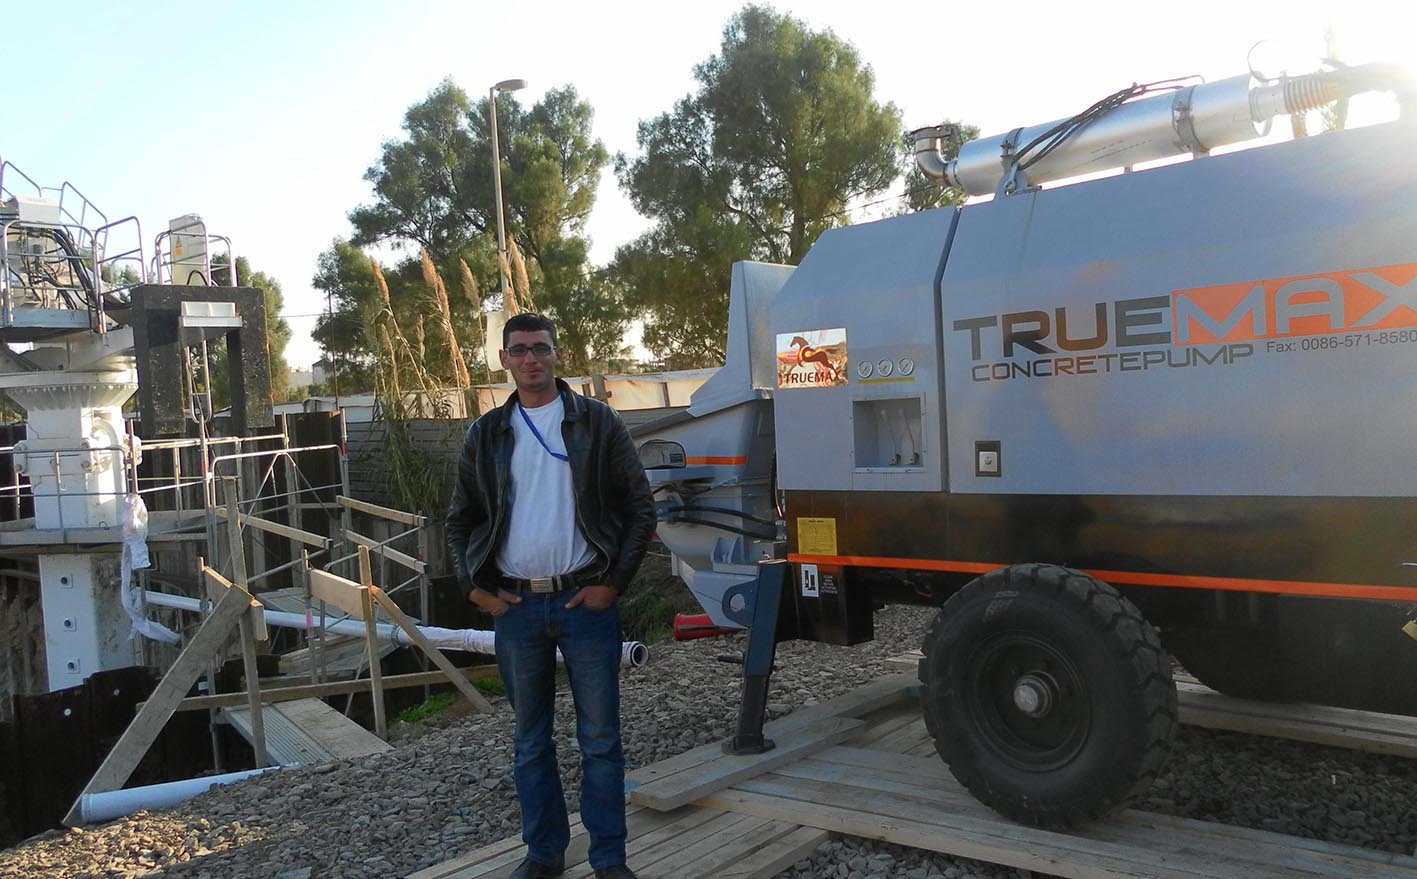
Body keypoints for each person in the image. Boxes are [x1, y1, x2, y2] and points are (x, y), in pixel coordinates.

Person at [447, 313, 655, 879]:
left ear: (557, 354)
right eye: (519, 350)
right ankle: (544, 855)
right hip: (515, 609)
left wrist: (613, 584)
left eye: (540, 348)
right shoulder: (487, 433)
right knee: (530, 743)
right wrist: (474, 589)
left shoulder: (598, 422)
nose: (530, 359)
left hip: (583, 604)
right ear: (504, 360)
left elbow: (640, 509)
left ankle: (609, 859)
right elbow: (460, 520)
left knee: (600, 741)